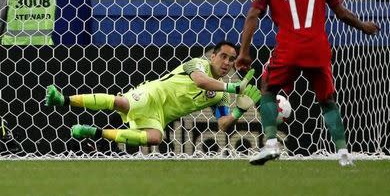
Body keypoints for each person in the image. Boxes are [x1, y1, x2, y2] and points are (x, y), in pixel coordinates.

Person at [236, 0, 380, 166]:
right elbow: (341, 13)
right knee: (327, 99)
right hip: (318, 48)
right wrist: (364, 26)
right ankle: (344, 154)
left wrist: (243, 52)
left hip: (289, 48)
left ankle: (271, 144)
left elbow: (253, 15)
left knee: (268, 88)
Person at [45, 41, 261, 148]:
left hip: (161, 115)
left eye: (232, 59)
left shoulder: (220, 95)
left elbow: (223, 124)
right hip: (153, 93)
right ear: (213, 56)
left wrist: (239, 110)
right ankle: (62, 99)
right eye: (223, 56)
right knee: (122, 103)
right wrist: (234, 88)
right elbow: (200, 81)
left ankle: (93, 132)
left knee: (155, 138)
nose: (227, 63)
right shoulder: (199, 64)